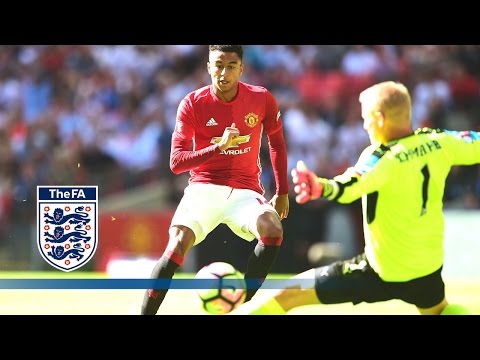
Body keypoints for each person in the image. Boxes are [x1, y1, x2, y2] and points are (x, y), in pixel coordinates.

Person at [230, 80, 474, 315]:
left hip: (380, 271)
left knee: (286, 295)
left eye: (366, 118)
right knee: (441, 311)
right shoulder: (440, 141)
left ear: (379, 118)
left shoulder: (382, 158)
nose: (365, 126)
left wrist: (320, 188)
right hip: (426, 272)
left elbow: (351, 185)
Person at [141, 45, 289, 315]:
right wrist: (217, 147)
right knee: (176, 245)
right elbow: (176, 163)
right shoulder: (192, 103)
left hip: (246, 191)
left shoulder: (262, 99)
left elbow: (277, 142)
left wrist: (282, 191)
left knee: (272, 229)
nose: (223, 73)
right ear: (208, 67)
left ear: (241, 68)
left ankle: (241, 307)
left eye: (231, 66)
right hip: (204, 188)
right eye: (218, 65)